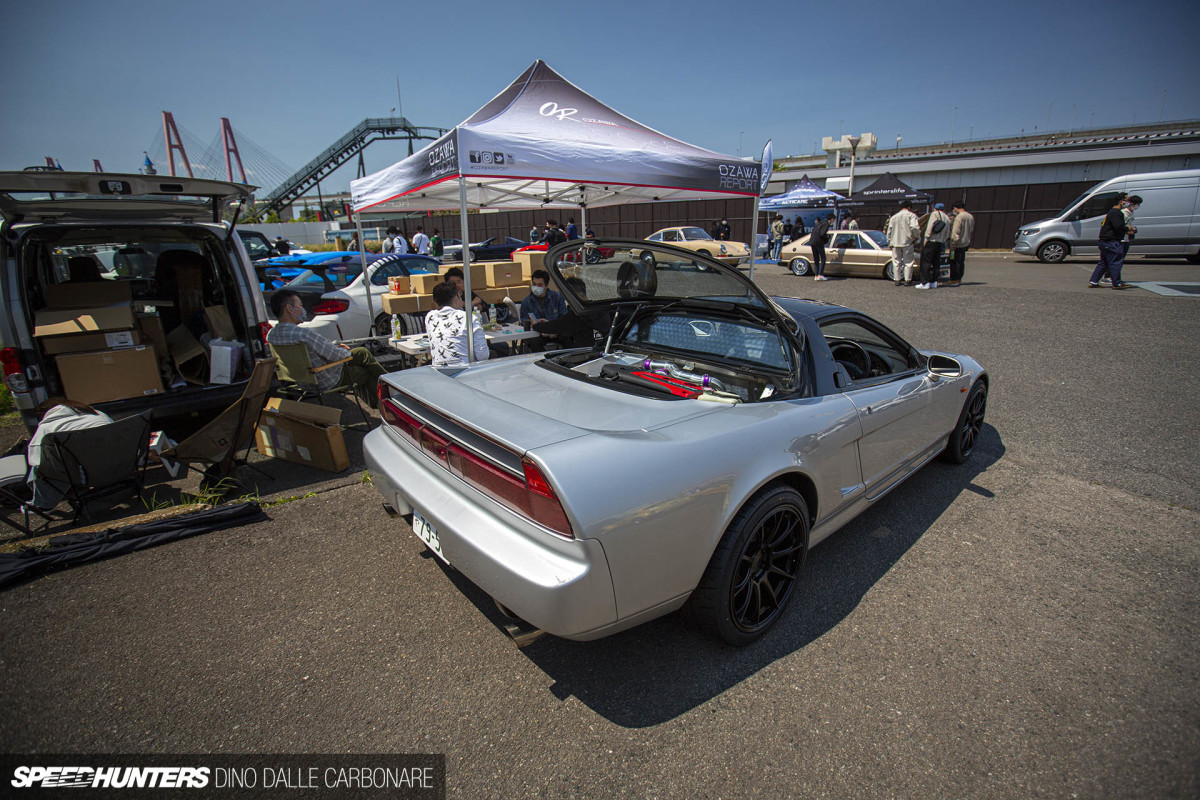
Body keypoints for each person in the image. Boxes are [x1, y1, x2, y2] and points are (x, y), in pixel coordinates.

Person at [267, 290, 385, 404]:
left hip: (299, 381)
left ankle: (385, 392)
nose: (303, 310)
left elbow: (316, 350)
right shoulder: (303, 334)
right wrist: (342, 351)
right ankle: (388, 395)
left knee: (361, 353)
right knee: (364, 367)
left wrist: (336, 347)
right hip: (324, 379)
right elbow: (335, 355)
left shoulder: (271, 335)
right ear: (289, 308)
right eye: (300, 305)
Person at [532, 276, 610, 349]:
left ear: (572, 294)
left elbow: (558, 325)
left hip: (583, 355)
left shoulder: (578, 313)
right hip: (602, 351)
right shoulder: (600, 309)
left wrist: (536, 325)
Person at [425, 281, 489, 367]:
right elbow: (483, 355)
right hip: (465, 371)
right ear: (456, 298)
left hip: (438, 371)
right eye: (460, 296)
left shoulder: (430, 317)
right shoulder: (469, 318)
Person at [519, 269, 569, 352]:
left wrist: (554, 328)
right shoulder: (526, 302)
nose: (536, 287)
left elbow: (564, 317)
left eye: (540, 285)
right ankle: (543, 361)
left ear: (546, 286)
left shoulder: (557, 297)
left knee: (568, 335)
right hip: (537, 333)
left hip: (555, 330)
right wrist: (537, 327)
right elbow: (524, 321)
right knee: (533, 341)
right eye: (534, 284)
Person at [1089, 194, 1131, 289]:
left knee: (1103, 262)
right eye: (1127, 200)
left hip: (1104, 241)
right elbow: (1118, 227)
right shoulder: (1117, 213)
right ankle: (1116, 283)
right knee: (1116, 262)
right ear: (1121, 201)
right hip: (1112, 241)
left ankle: (1094, 281)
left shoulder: (1111, 212)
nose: (1128, 203)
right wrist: (1127, 228)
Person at [886, 200, 922, 286]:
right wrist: (916, 236)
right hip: (907, 242)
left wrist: (889, 242)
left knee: (896, 262)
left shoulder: (894, 217)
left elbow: (889, 231)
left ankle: (897, 280)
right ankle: (907, 280)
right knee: (908, 262)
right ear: (909, 207)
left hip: (895, 242)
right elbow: (914, 227)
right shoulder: (911, 215)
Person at [917, 202, 951, 289]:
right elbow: (947, 232)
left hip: (932, 240)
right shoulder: (947, 217)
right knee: (936, 262)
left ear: (935, 208)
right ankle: (934, 281)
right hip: (940, 242)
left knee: (926, 262)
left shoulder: (934, 214)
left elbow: (930, 227)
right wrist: (943, 240)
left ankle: (925, 282)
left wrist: (926, 238)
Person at [947, 201, 975, 285]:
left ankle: (954, 279)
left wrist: (954, 242)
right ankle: (959, 278)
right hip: (966, 241)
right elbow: (971, 228)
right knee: (961, 260)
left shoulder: (959, 217)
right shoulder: (970, 216)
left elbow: (956, 230)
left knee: (954, 261)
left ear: (955, 208)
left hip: (957, 243)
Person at [808, 214, 833, 280]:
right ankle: (820, 274)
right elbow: (822, 234)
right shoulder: (826, 224)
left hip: (812, 242)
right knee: (823, 258)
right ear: (832, 219)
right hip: (819, 242)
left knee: (816, 259)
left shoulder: (819, 223)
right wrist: (827, 237)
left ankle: (816, 275)